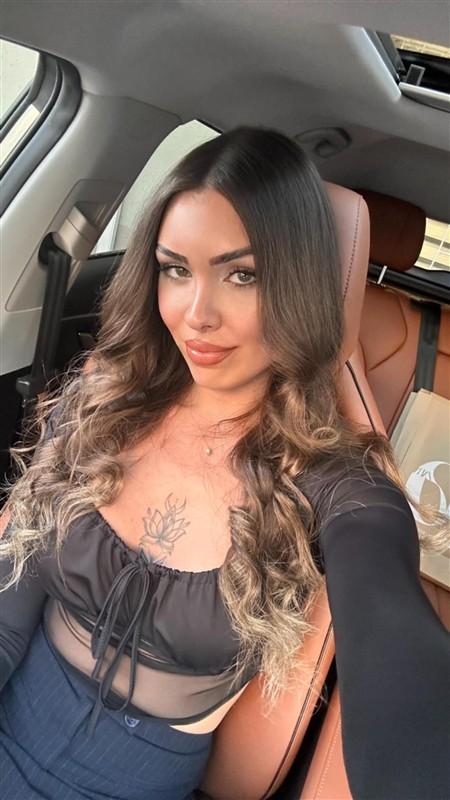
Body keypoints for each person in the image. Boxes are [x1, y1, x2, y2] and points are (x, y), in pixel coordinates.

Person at [0, 126, 449, 800]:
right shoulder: (103, 400)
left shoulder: (338, 484)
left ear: (298, 286)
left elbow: (394, 646)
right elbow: (11, 599)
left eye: (242, 274)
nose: (196, 315)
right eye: (176, 269)